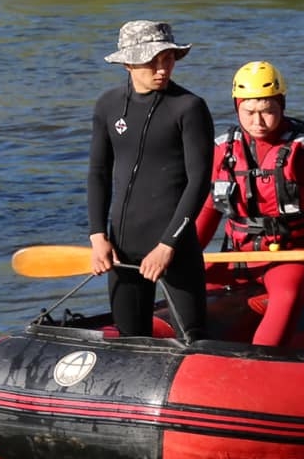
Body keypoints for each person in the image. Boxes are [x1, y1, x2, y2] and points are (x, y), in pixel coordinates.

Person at [192, 61, 304, 347]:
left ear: (282, 106)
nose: (258, 122)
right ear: (237, 107)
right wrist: (184, 254)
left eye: (268, 111)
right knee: (184, 285)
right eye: (249, 112)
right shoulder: (223, 150)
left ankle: (260, 365)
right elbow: (208, 209)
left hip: (296, 255)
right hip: (240, 257)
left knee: (286, 294)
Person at [87, 20, 214, 339]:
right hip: (122, 248)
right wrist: (98, 237)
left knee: (191, 340)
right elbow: (98, 173)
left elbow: (198, 182)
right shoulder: (108, 105)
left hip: (174, 246)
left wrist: (168, 244)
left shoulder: (188, 108)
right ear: (128, 63)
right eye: (152, 61)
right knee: (129, 340)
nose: (162, 68)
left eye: (168, 58)